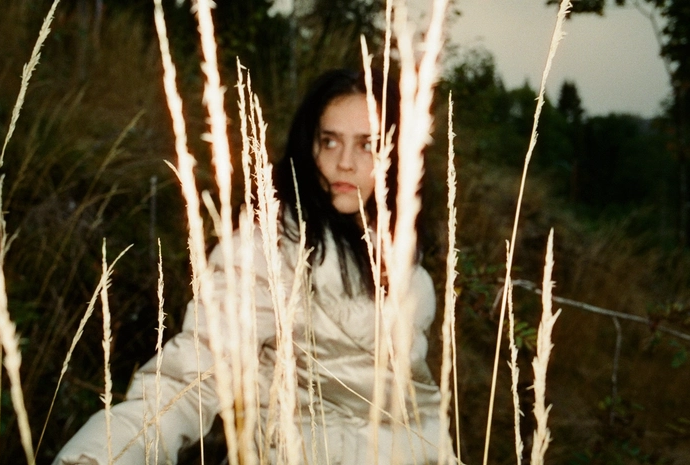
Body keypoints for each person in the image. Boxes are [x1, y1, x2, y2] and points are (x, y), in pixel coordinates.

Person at [54, 69, 451, 465]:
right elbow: (191, 379)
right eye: (329, 141)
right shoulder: (269, 248)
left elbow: (416, 407)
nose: (343, 162)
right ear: (308, 145)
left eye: (368, 145)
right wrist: (101, 455)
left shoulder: (406, 264)